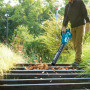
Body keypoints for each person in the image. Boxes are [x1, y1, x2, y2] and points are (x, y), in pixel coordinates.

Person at [62, 0, 90, 66]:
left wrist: (88, 22)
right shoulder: (67, 6)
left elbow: (85, 12)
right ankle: (78, 59)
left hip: (80, 25)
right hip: (73, 27)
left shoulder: (80, 2)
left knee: (78, 42)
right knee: (74, 44)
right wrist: (64, 26)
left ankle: (78, 61)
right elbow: (66, 17)